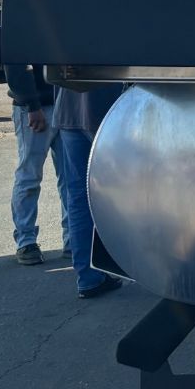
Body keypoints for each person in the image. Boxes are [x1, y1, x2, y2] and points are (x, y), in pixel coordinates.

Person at [52, 80, 125, 298]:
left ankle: (87, 276)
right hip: (107, 110)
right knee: (123, 195)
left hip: (68, 111)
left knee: (78, 198)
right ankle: (132, 265)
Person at [6, 62, 66, 266]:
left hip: (64, 104)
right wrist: (32, 105)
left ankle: (73, 238)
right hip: (36, 108)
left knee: (70, 179)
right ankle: (26, 241)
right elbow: (15, 64)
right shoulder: (20, 28)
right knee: (30, 176)